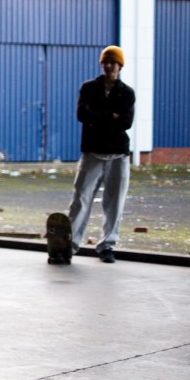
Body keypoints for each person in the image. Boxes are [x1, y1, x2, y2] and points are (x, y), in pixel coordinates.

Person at [67, 45, 136, 263]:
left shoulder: (127, 93)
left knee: (115, 202)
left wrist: (96, 116)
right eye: (106, 62)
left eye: (113, 63)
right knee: (81, 198)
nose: (109, 66)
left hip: (118, 154)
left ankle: (107, 246)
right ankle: (69, 245)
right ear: (102, 64)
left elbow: (126, 122)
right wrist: (111, 116)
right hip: (92, 152)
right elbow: (81, 115)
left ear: (120, 66)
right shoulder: (88, 88)